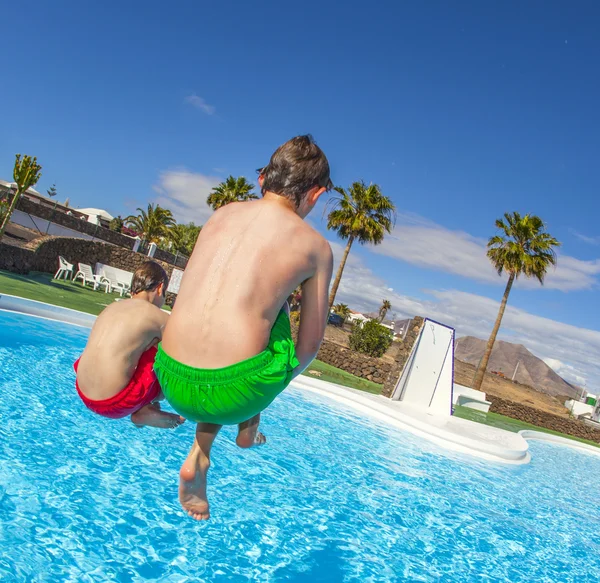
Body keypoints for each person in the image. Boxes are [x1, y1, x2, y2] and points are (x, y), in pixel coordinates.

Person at [155, 135, 334, 520]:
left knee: (240, 312)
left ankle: (207, 451)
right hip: (236, 394)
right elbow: (311, 347)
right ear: (315, 195)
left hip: (169, 374)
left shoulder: (222, 213)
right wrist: (266, 394)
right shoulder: (316, 247)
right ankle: (239, 432)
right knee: (276, 320)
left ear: (262, 180)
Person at [74, 261, 184, 429]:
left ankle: (144, 406)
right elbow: (184, 351)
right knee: (164, 348)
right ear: (160, 288)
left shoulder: (112, 307)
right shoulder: (155, 315)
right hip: (115, 403)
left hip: (83, 391)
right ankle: (144, 409)